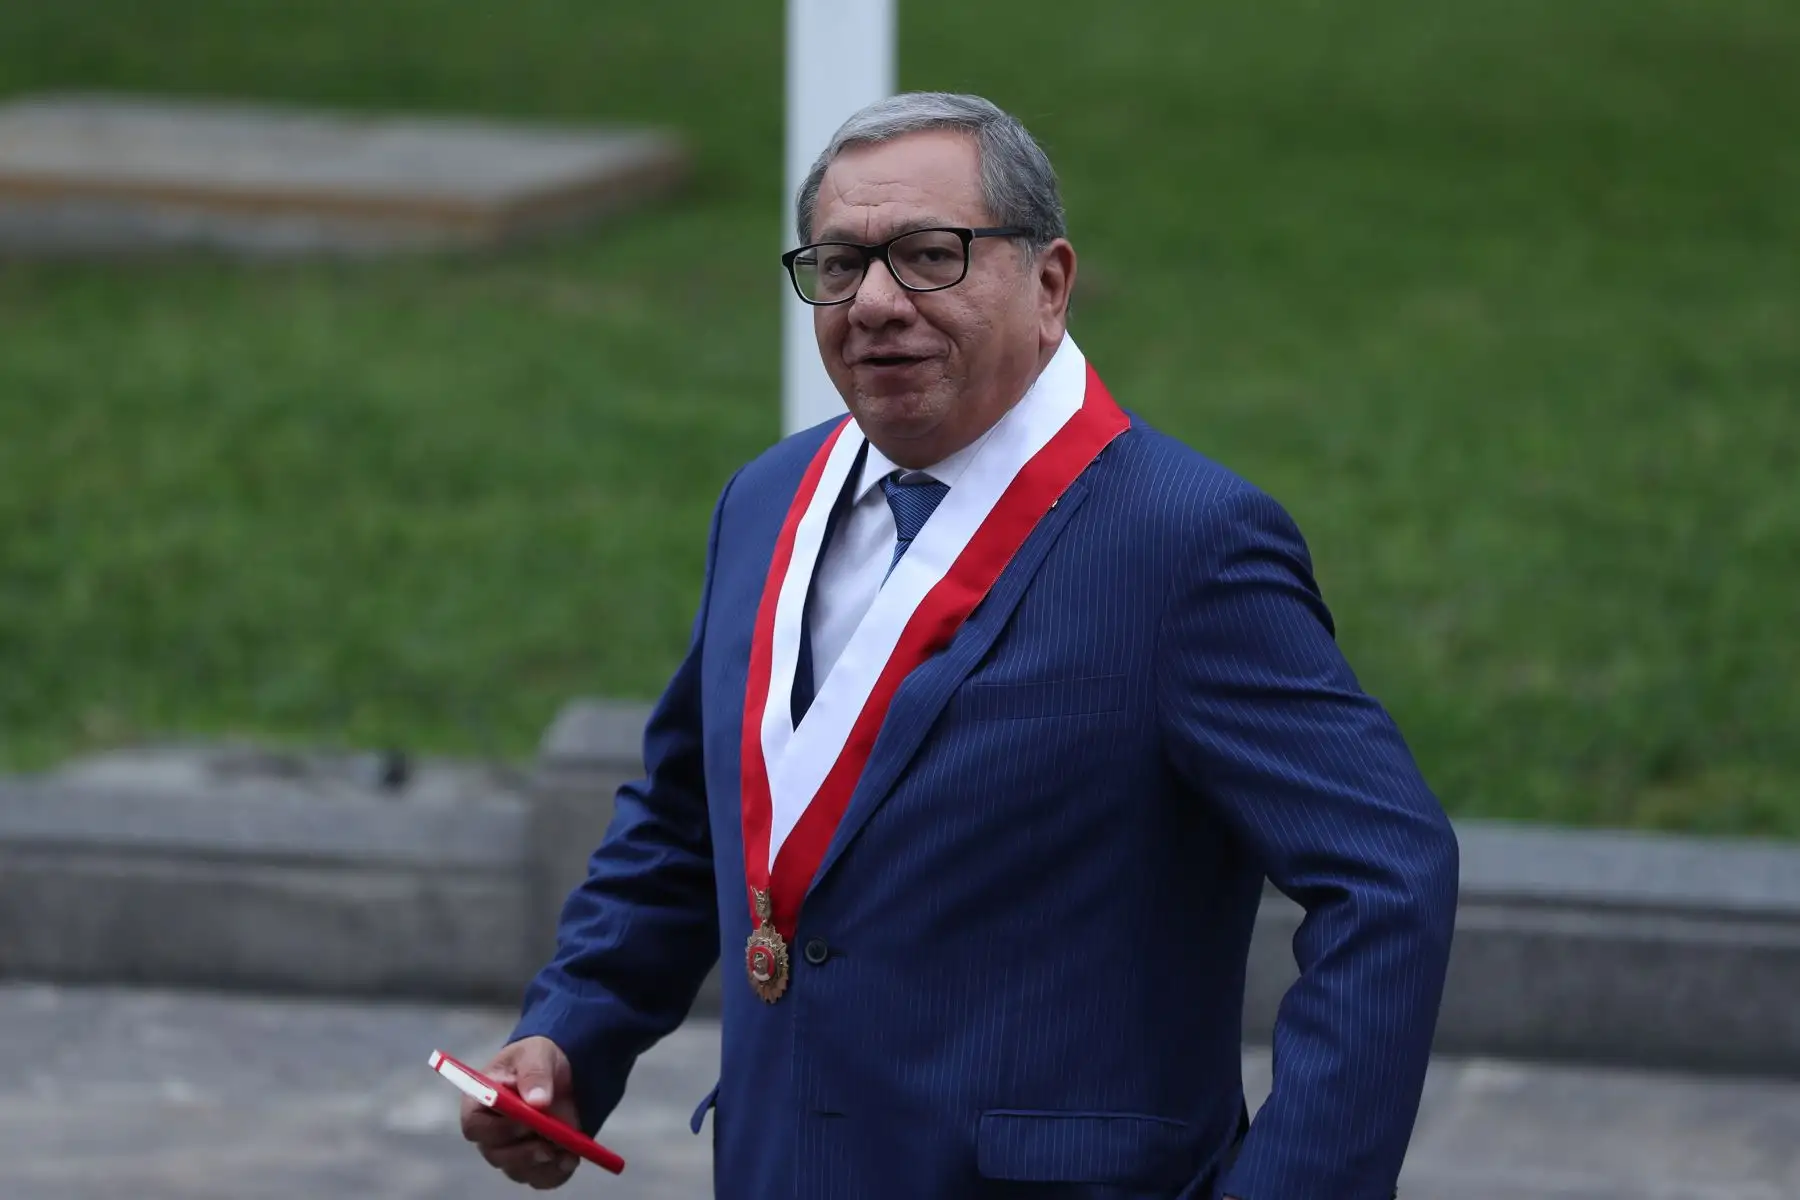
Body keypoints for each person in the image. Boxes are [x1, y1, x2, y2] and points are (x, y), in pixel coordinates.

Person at [461, 90, 1459, 1200]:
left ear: (1050, 284)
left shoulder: (1186, 543)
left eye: (930, 256)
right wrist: (570, 1035)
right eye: (841, 265)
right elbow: (693, 816)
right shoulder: (766, 499)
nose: (876, 303)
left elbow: (1387, 877)